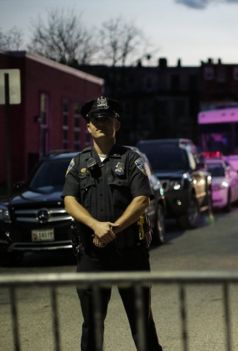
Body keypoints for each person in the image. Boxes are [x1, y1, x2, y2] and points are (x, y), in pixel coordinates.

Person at [63, 96, 162, 351]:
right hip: (92, 255)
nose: (101, 124)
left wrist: (114, 229)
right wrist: (96, 226)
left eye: (107, 119)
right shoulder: (78, 163)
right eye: (96, 120)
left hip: (129, 253)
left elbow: (141, 200)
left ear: (116, 124)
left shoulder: (131, 159)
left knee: (142, 322)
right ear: (88, 126)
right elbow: (70, 201)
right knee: (92, 325)